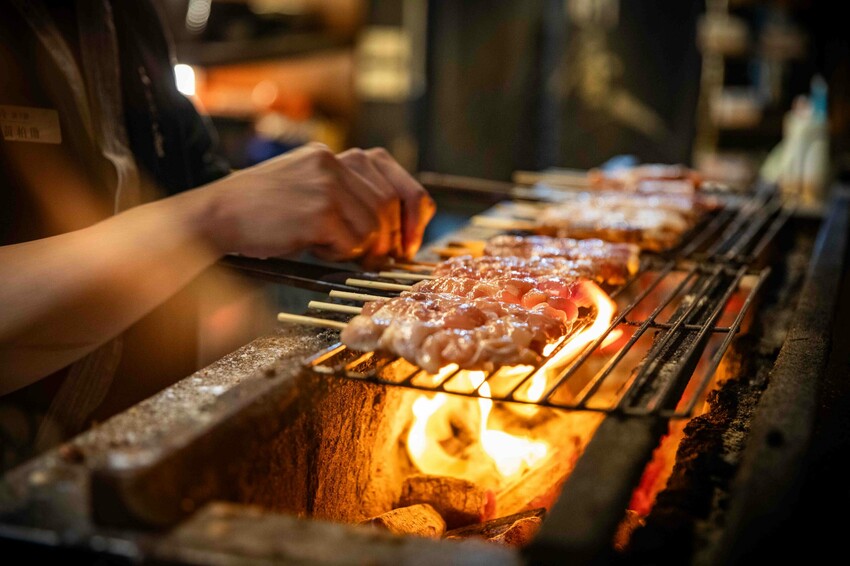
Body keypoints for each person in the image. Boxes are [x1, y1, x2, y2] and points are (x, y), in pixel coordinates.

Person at [0, 0, 435, 468]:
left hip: (142, 460)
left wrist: (304, 206)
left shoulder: (123, 17)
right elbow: (206, 214)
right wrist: (216, 214)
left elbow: (194, 196)